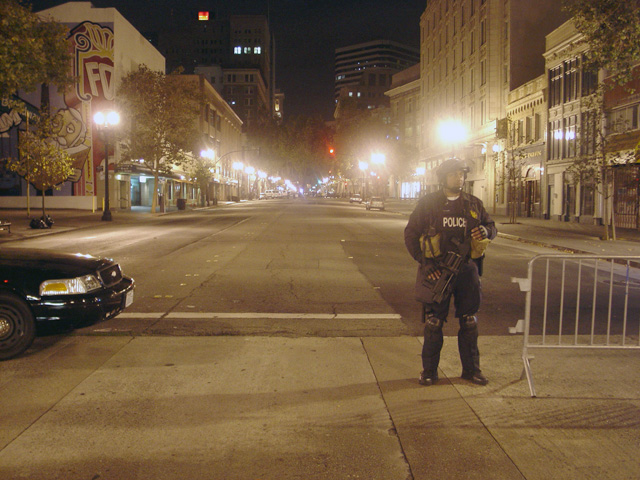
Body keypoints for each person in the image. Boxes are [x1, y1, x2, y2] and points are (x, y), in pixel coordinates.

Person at [404, 158, 497, 386]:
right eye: (455, 174)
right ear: (443, 177)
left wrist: (486, 230)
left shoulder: (473, 204)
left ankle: (471, 370)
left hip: (467, 271)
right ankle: (429, 371)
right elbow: (411, 234)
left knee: (469, 321)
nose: (460, 178)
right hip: (438, 271)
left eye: (462, 174)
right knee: (434, 322)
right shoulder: (429, 204)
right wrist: (426, 264)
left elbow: (492, 227)